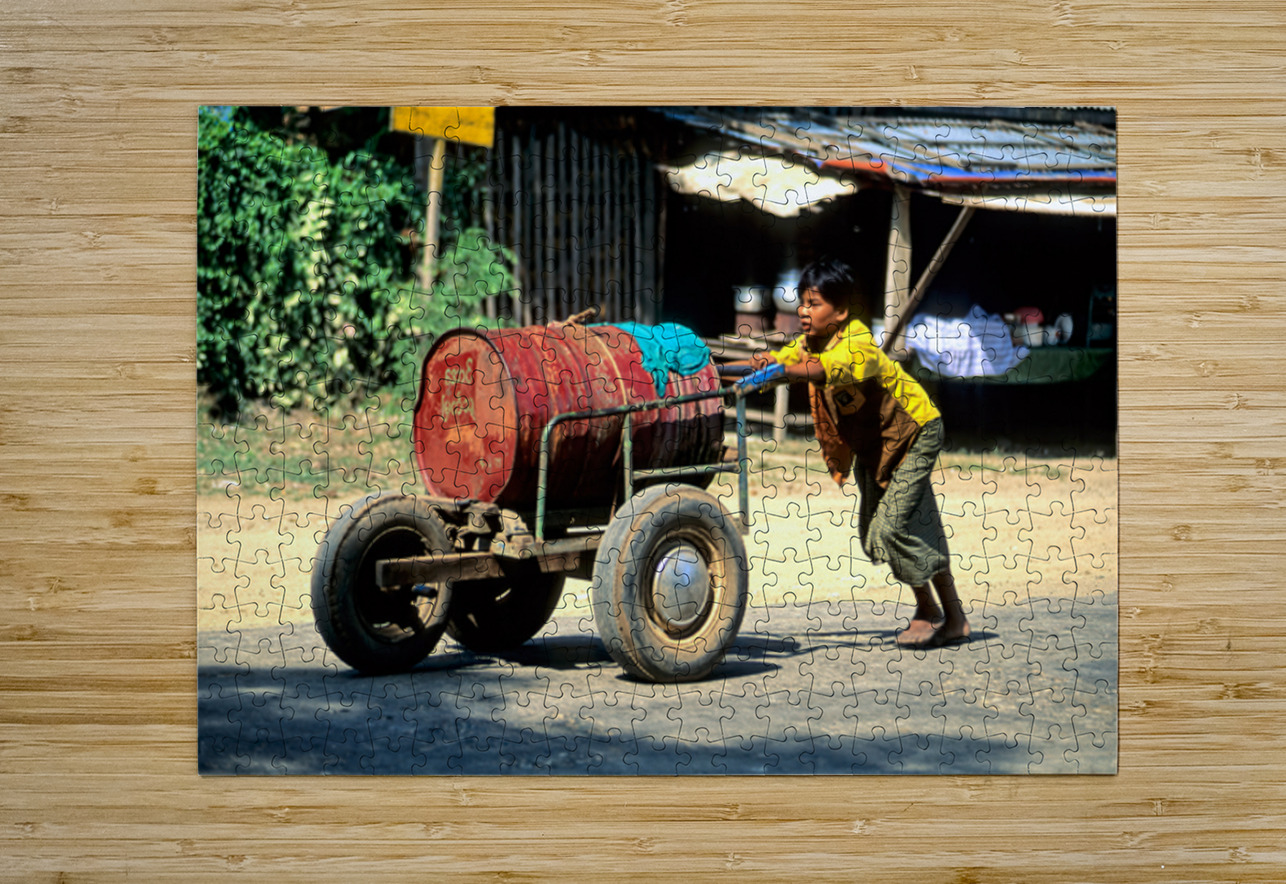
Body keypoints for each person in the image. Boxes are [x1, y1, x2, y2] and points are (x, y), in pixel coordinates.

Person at [725, 257, 970, 649]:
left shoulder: (858, 345)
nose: (803, 311)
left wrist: (783, 370)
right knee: (894, 529)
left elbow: (822, 369)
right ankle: (951, 617)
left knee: (888, 532)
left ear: (840, 311)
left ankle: (933, 611)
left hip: (914, 433)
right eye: (802, 302)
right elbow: (777, 360)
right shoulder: (809, 343)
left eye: (814, 303)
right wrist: (718, 369)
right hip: (876, 445)